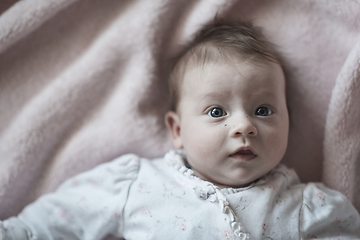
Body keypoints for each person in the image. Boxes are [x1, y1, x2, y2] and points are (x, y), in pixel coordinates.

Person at [1, 21, 360, 240]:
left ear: (288, 121)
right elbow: (52, 221)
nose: (244, 125)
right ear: (177, 130)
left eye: (263, 110)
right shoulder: (137, 185)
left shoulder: (308, 209)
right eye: (217, 111)